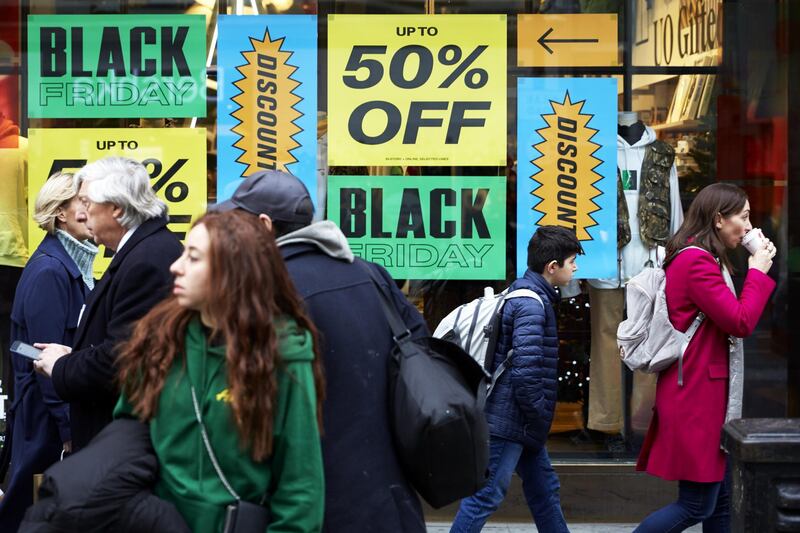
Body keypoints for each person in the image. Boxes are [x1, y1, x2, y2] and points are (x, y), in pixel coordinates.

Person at [213, 170, 429, 532]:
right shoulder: (371, 275)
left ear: (264, 226)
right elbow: (417, 356)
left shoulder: (265, 291)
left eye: (236, 223)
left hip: (311, 507)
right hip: (389, 501)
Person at [114, 210, 325, 532]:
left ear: (234, 272)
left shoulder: (283, 354)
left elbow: (300, 487)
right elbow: (126, 439)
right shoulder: (159, 340)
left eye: (193, 257)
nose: (176, 266)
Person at [634, 183, 776, 532]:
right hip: (697, 397)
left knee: (722, 501)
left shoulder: (699, 256)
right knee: (696, 505)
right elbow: (739, 321)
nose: (747, 227)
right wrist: (757, 270)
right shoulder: (696, 261)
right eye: (742, 217)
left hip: (703, 393)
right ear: (718, 219)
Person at [33, 157, 182, 451]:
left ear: (116, 208)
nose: (82, 215)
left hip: (125, 442)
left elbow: (121, 359)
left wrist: (62, 365)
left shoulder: (147, 260)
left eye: (87, 203)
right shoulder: (141, 251)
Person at [451, 225, 583, 533]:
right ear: (553, 267)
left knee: (544, 490)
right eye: (572, 261)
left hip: (520, 420)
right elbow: (525, 371)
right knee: (486, 496)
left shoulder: (529, 294)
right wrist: (539, 411)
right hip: (511, 420)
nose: (575, 267)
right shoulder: (530, 306)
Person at [0, 173, 97, 532]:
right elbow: (43, 359)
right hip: (47, 419)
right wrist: (69, 430)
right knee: (30, 509)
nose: (94, 210)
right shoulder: (50, 272)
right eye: (83, 203)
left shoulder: (70, 264)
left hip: (51, 414)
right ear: (61, 214)